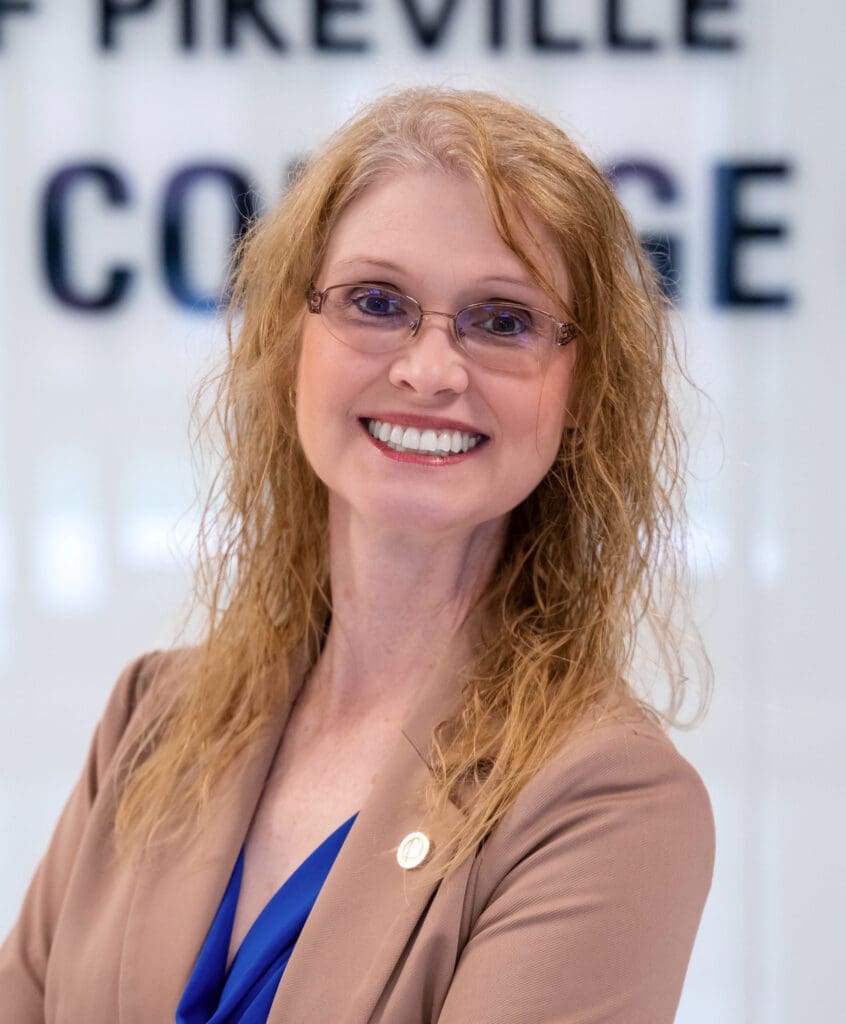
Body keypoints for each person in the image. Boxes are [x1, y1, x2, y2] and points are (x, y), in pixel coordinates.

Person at [0, 87, 714, 1023]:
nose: (429, 369)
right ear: (292, 343)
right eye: (377, 303)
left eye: (502, 321)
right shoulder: (152, 720)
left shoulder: (611, 804)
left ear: (582, 392)